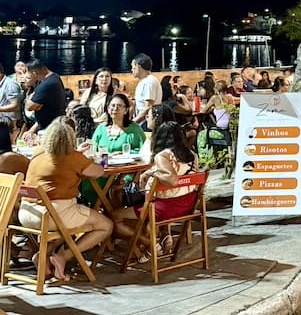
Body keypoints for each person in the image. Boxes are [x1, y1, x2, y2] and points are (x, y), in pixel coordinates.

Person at [19, 117, 112, 281]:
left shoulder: (38, 152)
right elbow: (99, 172)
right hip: (54, 214)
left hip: (27, 212)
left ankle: (42, 256)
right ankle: (63, 256)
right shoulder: (73, 157)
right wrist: (100, 159)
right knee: (106, 225)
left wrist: (79, 157)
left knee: (64, 230)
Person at [112, 121, 199, 260]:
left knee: (114, 217)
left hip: (163, 209)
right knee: (142, 209)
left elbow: (172, 180)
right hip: (187, 207)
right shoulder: (191, 155)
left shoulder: (163, 155)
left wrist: (152, 174)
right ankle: (159, 239)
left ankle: (151, 243)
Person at [22, 59, 66, 141]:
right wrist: (31, 131)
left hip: (49, 130)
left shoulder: (46, 84)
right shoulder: (55, 77)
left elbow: (29, 107)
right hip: (51, 126)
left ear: (34, 73)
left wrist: (29, 98)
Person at [131, 54, 162, 127]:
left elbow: (148, 107)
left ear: (139, 66)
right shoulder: (143, 81)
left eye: (133, 67)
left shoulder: (149, 82)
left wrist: (133, 123)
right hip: (142, 121)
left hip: (146, 122)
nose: (132, 69)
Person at [0, 62, 22, 151]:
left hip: (10, 124)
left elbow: (15, 106)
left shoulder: (10, 84)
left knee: (6, 149)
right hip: (2, 122)